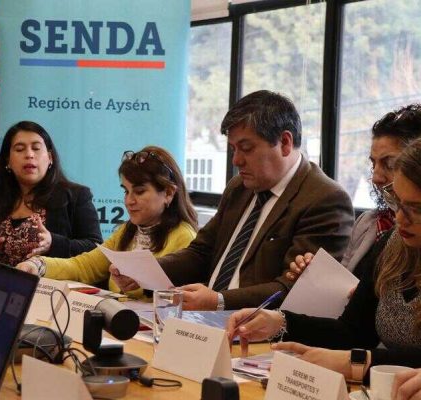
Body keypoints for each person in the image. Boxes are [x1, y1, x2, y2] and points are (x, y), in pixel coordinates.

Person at [111, 90, 354, 310]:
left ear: (285, 143)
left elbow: (297, 290)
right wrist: (144, 272)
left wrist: (220, 301)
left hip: (257, 331)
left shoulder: (324, 199)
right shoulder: (239, 188)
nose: (236, 160)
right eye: (233, 149)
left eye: (246, 148)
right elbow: (201, 252)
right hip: (204, 322)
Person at [227, 137, 421, 382]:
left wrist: (357, 362)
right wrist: (280, 322)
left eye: (415, 209)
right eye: (397, 202)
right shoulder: (392, 246)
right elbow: (352, 332)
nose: (400, 218)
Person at [17, 146, 197, 299]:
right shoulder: (127, 230)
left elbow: (178, 301)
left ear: (168, 193)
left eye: (139, 191)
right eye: (126, 191)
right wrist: (37, 265)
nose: (129, 201)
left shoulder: (184, 237)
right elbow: (85, 266)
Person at [288, 104, 421, 281]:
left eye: (389, 164)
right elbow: (345, 291)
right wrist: (314, 278)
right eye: (373, 164)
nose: (375, 177)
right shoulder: (367, 224)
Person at [0, 121, 102, 266]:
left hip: (49, 284)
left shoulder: (75, 195)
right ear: (8, 161)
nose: (29, 155)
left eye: (36, 148)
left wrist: (54, 243)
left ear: (50, 158)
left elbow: (95, 247)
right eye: (19, 149)